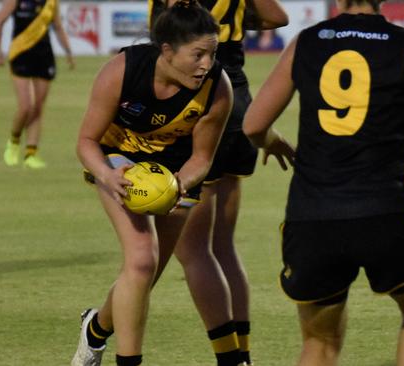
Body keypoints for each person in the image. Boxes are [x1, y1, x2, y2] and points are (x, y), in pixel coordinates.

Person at [243, 0, 404, 365]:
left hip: (312, 218)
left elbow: (253, 125)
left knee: (320, 342)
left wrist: (271, 141)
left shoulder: (305, 42)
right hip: (386, 214)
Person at [71, 2, 233, 365]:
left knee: (146, 274)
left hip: (176, 170)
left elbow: (202, 159)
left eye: (212, 53)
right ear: (167, 50)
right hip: (118, 159)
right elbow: (85, 141)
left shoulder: (217, 88)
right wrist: (107, 175)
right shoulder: (122, 71)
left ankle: (95, 329)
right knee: (142, 259)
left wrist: (177, 184)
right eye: (197, 55)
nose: (206, 64)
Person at [148, 0, 289, 365]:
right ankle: (243, 353)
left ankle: (231, 359)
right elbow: (278, 17)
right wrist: (235, 19)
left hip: (200, 99)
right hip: (239, 100)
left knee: (193, 250)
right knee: (223, 246)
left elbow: (160, 37)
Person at [0, 0, 74, 169]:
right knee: (26, 107)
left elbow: (58, 27)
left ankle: (31, 153)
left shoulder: (51, 2)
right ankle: (13, 142)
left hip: (44, 56)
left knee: (38, 107)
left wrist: (68, 52)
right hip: (20, 55)